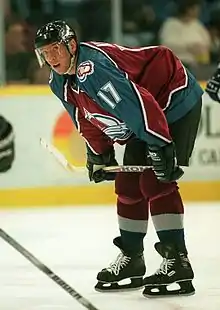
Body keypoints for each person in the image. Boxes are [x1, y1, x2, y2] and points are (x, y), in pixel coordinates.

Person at [34, 20, 203, 298]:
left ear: (71, 45)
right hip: (148, 113)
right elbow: (84, 118)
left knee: (156, 180)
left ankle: (177, 261)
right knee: (127, 185)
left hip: (173, 97)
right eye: (45, 52)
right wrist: (99, 153)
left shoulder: (93, 69)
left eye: (55, 49)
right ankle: (132, 259)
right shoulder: (60, 81)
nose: (51, 57)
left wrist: (159, 143)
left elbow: (136, 102)